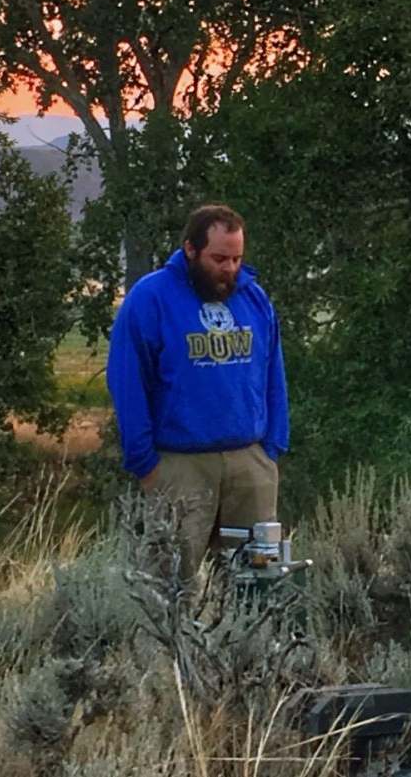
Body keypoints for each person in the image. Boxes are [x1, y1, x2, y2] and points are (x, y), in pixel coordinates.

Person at [104, 202, 288, 583]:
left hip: (249, 463)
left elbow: (273, 374)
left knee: (254, 588)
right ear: (190, 249)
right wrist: (146, 465)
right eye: (219, 258)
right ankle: (167, 648)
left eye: (237, 259)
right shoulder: (150, 298)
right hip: (178, 465)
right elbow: (127, 383)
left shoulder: (253, 298)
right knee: (169, 587)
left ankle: (243, 645)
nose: (230, 269)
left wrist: (271, 448)